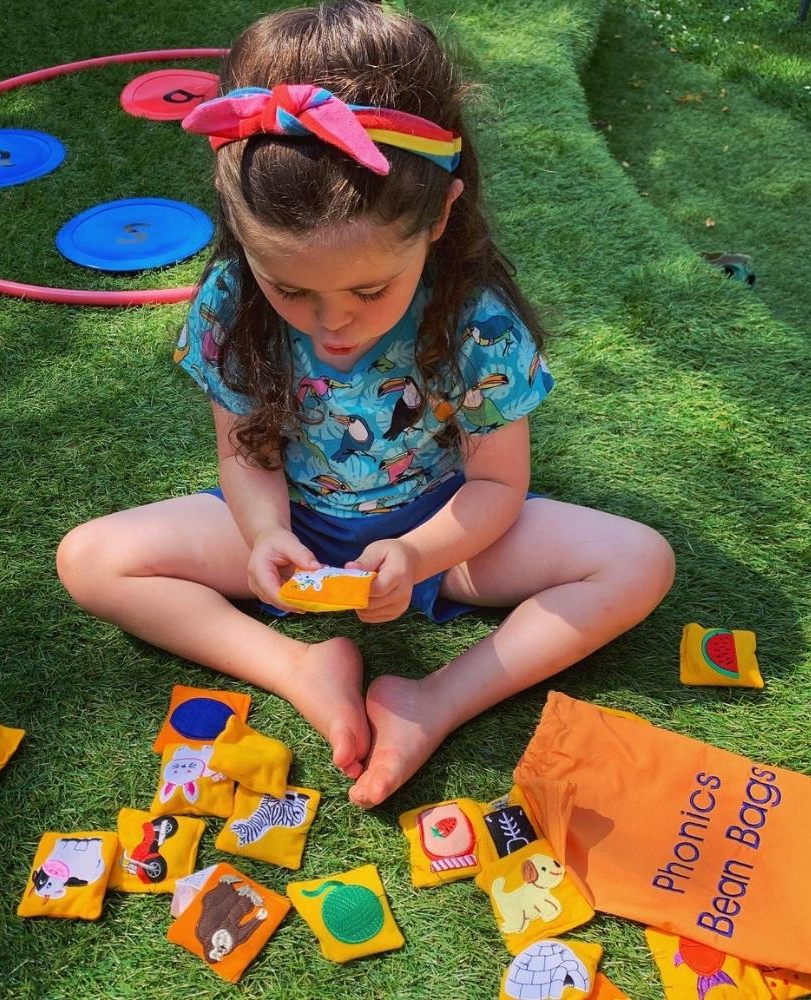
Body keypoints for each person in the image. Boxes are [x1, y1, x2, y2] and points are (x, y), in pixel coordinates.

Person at [56, 0, 675, 809]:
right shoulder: (228, 301)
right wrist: (265, 533)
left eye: (371, 288)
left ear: (440, 215)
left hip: (449, 531)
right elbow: (246, 451)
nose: (333, 320)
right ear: (237, 225)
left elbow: (497, 488)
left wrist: (416, 555)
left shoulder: (473, 321)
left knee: (640, 561)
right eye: (290, 286)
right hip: (301, 523)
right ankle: (299, 667)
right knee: (90, 559)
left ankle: (435, 699)